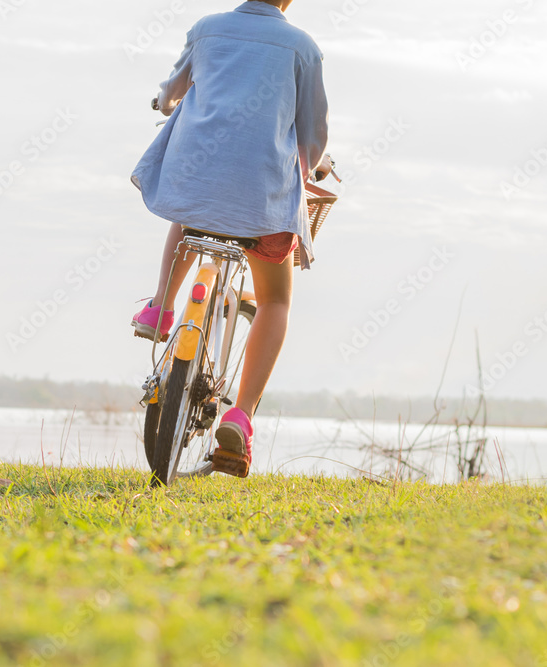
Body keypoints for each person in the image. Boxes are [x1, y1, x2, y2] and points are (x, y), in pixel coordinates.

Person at [130, 0, 328, 477]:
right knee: (275, 301)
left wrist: (164, 103)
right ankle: (239, 417)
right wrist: (315, 160)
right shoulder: (303, 47)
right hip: (263, 203)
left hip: (197, 181)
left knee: (190, 204)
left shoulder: (207, 29)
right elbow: (313, 130)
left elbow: (173, 91)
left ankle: (161, 306)